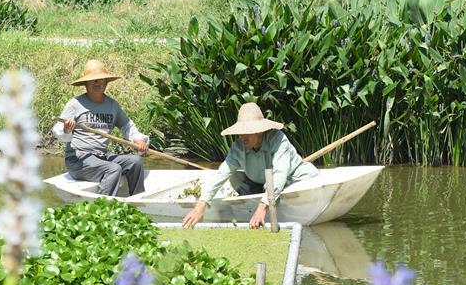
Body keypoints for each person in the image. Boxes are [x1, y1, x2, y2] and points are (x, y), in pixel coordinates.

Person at [182, 102, 318, 229]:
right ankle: (258, 203)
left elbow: (280, 175)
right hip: (262, 184)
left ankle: (262, 204)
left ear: (259, 131)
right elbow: (221, 174)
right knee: (235, 177)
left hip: (294, 180)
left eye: (247, 132)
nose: (242, 136)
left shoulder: (278, 140)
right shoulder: (238, 147)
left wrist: (261, 208)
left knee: (272, 184)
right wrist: (200, 206)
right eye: (241, 132)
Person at [53, 59, 149, 196]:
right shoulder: (75, 104)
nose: (97, 83)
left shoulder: (113, 105)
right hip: (78, 159)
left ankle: (138, 201)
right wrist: (66, 129)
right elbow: (58, 130)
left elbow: (127, 126)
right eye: (92, 80)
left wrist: (139, 140)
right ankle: (102, 207)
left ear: (106, 83)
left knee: (135, 162)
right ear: (85, 84)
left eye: (100, 80)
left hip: (101, 157)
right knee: (114, 169)